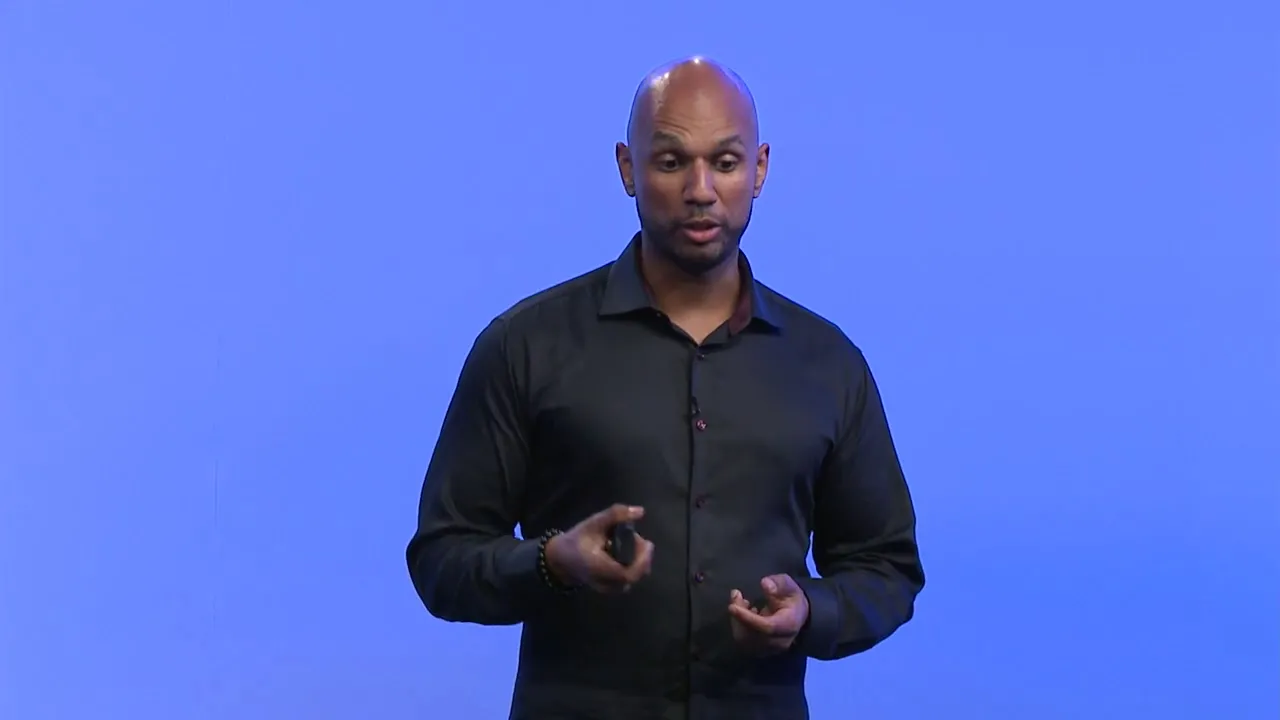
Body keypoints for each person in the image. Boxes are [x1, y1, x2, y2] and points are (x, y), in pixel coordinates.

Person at [406, 56, 925, 720]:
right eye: (672, 162)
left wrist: (812, 610)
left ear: (760, 169)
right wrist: (552, 562)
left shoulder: (828, 363)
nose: (700, 190)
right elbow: (442, 559)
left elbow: (886, 569)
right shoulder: (525, 346)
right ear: (628, 168)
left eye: (726, 163)